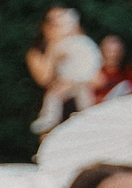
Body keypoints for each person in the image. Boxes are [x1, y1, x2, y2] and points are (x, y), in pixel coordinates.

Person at [24, 7, 101, 135]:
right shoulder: (36, 53)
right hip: (55, 116)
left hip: (77, 106)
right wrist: (53, 49)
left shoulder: (78, 44)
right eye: (54, 23)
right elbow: (44, 79)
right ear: (45, 27)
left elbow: (97, 79)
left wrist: (74, 82)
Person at [92, 33, 132, 103]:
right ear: (102, 51)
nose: (113, 55)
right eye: (109, 51)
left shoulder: (129, 71)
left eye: (117, 51)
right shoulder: (95, 72)